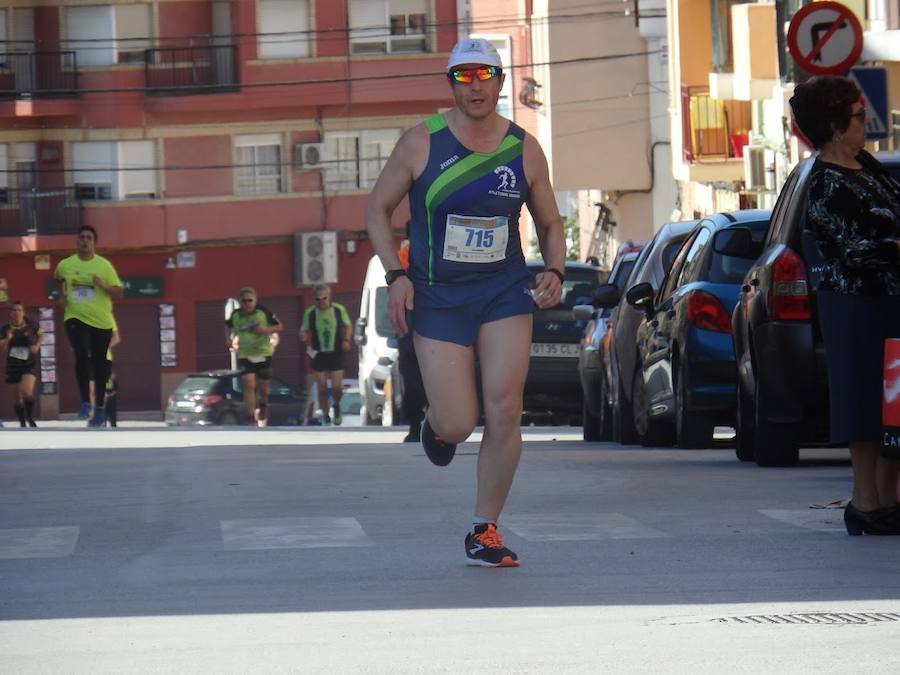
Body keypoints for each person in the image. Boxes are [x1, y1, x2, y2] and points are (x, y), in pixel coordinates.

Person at [365, 38, 565, 567]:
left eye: (485, 76)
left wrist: (555, 269)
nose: (475, 87)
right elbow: (377, 210)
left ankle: (485, 529)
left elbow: (549, 221)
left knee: (504, 409)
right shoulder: (420, 143)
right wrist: (397, 274)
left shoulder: (523, 148)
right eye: (463, 76)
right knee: (458, 423)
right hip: (438, 296)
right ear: (450, 84)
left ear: (501, 82)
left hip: (502, 292)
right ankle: (437, 425)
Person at [790, 75, 900, 535]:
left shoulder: (868, 167)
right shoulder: (825, 182)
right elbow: (856, 248)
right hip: (855, 306)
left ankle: (883, 499)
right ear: (835, 126)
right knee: (863, 403)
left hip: (888, 301)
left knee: (892, 405)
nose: (866, 126)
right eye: (858, 117)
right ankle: (866, 501)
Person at [55, 225, 123, 427]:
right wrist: (62, 295)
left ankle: (100, 409)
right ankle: (86, 401)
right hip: (75, 317)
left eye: (89, 238)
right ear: (77, 241)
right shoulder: (66, 264)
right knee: (82, 353)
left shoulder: (104, 266)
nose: (85, 241)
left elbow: (119, 292)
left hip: (101, 322)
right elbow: (57, 278)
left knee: (101, 367)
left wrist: (103, 285)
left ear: (94, 243)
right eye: (82, 237)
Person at [225, 287, 282, 426]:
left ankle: (263, 404)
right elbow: (227, 326)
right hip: (245, 353)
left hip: (263, 353)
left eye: (250, 300)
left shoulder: (263, 312)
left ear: (255, 301)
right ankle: (251, 416)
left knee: (264, 387)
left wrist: (265, 330)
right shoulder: (236, 315)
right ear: (240, 302)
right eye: (244, 301)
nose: (247, 303)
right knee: (248, 383)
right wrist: (228, 339)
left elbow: (279, 326)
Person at [298, 283, 352, 426]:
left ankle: (337, 406)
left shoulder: (339, 310)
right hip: (318, 353)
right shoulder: (310, 313)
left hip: (336, 352)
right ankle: (326, 414)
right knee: (321, 388)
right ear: (313, 299)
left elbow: (348, 325)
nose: (321, 301)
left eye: (324, 298)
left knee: (336, 387)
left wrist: (346, 340)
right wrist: (303, 335)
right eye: (318, 299)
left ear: (329, 297)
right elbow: (303, 329)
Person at [396, 238, 428, 442]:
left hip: (421, 321)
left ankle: (425, 425)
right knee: (414, 381)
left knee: (418, 381)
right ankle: (416, 426)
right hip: (413, 322)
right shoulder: (407, 251)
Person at [0, 301, 43, 427]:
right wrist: (7, 339)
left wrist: (37, 345)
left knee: (26, 391)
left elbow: (41, 335)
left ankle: (30, 418)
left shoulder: (32, 325)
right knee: (18, 398)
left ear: (23, 312)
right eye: (14, 310)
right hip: (13, 364)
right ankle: (22, 421)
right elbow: (1, 348)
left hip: (29, 362)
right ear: (11, 313)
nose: (17, 312)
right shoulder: (5, 329)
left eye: (19, 310)